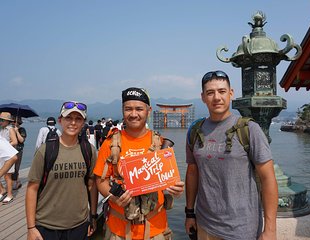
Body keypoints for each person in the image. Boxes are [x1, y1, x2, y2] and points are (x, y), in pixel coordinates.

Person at [185, 71, 278, 240]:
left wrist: (270, 229)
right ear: (203, 97)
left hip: (241, 228)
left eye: (222, 91)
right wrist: (189, 212)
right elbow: (192, 172)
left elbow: (268, 178)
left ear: (231, 93)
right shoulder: (195, 130)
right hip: (205, 224)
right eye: (210, 93)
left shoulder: (249, 129)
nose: (217, 97)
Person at [94, 87, 184, 240]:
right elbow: (100, 180)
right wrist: (114, 198)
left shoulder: (160, 144)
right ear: (122, 110)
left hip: (156, 229)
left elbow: (168, 181)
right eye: (128, 109)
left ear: (148, 111)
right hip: (119, 229)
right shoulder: (110, 143)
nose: (134, 114)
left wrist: (176, 189)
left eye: (139, 109)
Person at [26, 101, 98, 240]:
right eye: (68, 118)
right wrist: (31, 227)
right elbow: (32, 188)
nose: (73, 123)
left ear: (83, 123)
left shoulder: (88, 150)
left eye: (78, 119)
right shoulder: (45, 151)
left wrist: (93, 216)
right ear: (60, 120)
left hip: (79, 224)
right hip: (47, 225)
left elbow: (91, 185)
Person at [0, 112, 18, 204]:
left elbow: (15, 141)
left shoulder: (10, 129)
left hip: (9, 155)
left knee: (7, 176)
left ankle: (10, 195)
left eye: (2, 120)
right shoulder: (1, 129)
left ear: (7, 121)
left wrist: (5, 146)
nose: (0, 122)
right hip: (1, 155)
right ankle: (2, 190)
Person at [11, 116, 27, 190]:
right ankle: (15, 181)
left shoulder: (22, 130)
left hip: (18, 150)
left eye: (15, 121)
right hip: (10, 150)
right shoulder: (10, 129)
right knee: (10, 167)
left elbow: (21, 140)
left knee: (16, 167)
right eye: (12, 121)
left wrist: (17, 131)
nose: (13, 123)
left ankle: (15, 182)